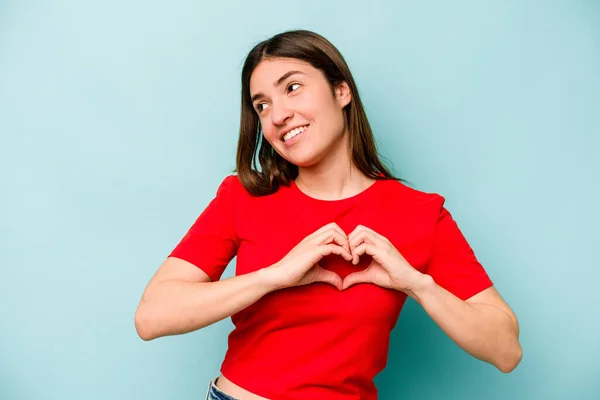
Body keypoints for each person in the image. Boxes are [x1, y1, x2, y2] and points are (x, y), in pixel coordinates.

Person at [134, 30, 522, 400]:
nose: (278, 115)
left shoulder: (420, 213)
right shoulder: (243, 196)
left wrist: (417, 285)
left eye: (293, 87)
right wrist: (274, 277)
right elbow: (152, 317)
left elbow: (506, 351)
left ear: (341, 91)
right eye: (262, 105)